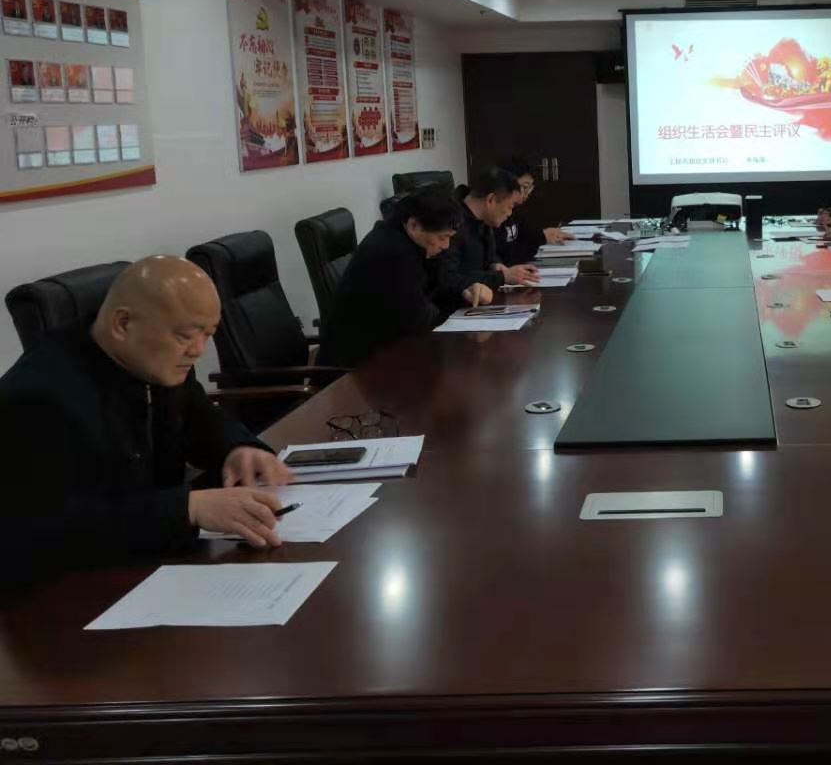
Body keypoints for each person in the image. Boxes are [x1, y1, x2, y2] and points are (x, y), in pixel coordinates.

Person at [0, 256, 293, 591]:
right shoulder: (38, 397)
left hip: (151, 567)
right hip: (68, 597)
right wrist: (186, 509)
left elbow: (198, 415)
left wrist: (237, 447)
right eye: (186, 336)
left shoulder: (149, 358)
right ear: (123, 324)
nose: (198, 350)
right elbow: (47, 532)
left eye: (208, 334)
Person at [317, 185, 481, 368]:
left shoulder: (410, 240)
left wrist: (463, 293)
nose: (446, 246)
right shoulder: (392, 252)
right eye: (442, 237)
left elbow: (439, 286)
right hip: (355, 370)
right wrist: (463, 320)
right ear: (414, 225)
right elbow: (421, 319)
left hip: (385, 353)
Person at [435, 166, 539, 307]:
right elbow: (447, 280)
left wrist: (495, 265)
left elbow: (489, 258)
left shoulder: (484, 221)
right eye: (510, 206)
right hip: (454, 309)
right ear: (491, 200)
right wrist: (502, 277)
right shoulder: (452, 225)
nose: (510, 214)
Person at [494, 155, 573, 265]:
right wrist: (541, 237)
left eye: (530, 187)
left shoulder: (517, 210)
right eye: (524, 187)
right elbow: (506, 256)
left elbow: (527, 236)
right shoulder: (495, 214)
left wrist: (545, 234)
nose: (526, 194)